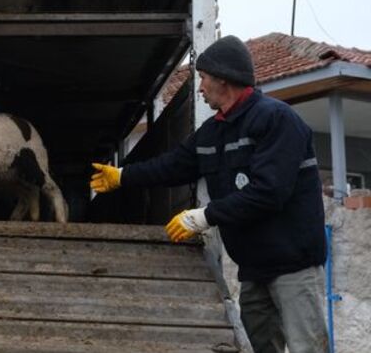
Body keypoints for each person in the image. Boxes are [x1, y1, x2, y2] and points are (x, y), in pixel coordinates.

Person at [90, 35, 328, 353]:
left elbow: (269, 193)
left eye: (202, 78)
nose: (199, 88)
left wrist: (204, 216)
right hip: (253, 268)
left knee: (306, 347)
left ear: (223, 79)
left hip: (293, 265)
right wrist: (123, 176)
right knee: (262, 346)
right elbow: (175, 164)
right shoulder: (214, 131)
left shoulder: (276, 120)